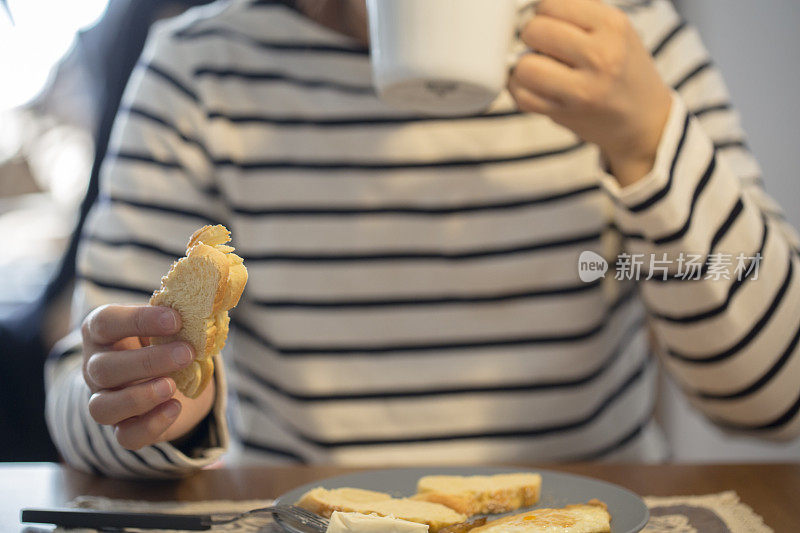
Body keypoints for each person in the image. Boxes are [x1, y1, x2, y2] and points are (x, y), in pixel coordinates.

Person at [46, 0, 800, 477]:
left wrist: (648, 141)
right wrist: (155, 407)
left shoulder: (631, 46)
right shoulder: (200, 70)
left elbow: (778, 397)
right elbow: (76, 388)